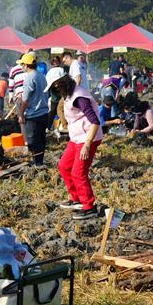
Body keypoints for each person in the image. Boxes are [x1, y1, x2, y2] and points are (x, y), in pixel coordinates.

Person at [49, 71, 103, 219]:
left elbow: (95, 121)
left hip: (88, 138)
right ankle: (76, 198)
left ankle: (89, 206)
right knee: (64, 166)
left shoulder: (79, 97)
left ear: (61, 83)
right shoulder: (68, 94)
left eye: (55, 87)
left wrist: (87, 145)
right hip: (77, 137)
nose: (55, 91)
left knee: (78, 172)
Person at [17, 53, 49, 166]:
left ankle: (36, 163)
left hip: (34, 114)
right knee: (41, 139)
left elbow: (25, 100)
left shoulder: (29, 77)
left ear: (26, 65)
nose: (21, 67)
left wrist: (21, 114)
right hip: (44, 113)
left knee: (32, 141)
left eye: (22, 65)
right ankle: (39, 162)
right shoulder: (41, 75)